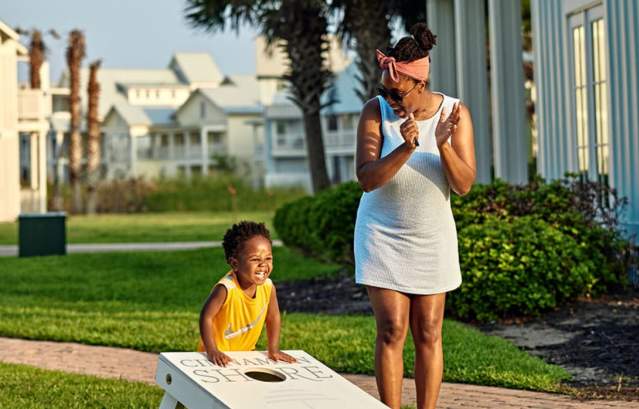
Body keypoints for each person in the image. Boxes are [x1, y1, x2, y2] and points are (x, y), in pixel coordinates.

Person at [354, 23, 477, 409]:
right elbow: (367, 179)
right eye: (383, 91)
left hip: (432, 239)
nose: (388, 99)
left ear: (419, 85)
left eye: (396, 92)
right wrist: (405, 149)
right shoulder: (375, 113)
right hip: (382, 235)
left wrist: (442, 145)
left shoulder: (454, 113)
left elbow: (464, 184)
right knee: (392, 329)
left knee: (428, 332)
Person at [198, 221, 296, 366]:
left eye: (268, 258)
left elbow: (273, 317)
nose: (263, 264)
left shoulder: (268, 287)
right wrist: (212, 351)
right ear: (235, 264)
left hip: (244, 355)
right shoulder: (226, 288)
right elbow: (206, 317)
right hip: (219, 357)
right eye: (255, 259)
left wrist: (273, 349)